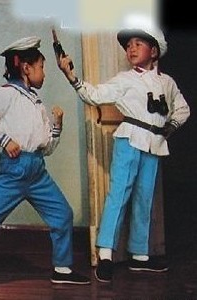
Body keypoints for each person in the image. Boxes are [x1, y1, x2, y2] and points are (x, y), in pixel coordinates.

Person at [0, 36, 91, 298]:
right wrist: (5, 139)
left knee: (62, 214)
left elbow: (46, 147)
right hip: (14, 170)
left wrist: (57, 126)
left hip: (37, 170)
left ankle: (62, 269)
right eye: (42, 67)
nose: (44, 73)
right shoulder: (7, 94)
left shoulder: (36, 103)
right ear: (26, 68)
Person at [57, 22, 190, 283]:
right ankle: (106, 253)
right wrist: (72, 77)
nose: (131, 48)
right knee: (119, 195)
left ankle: (140, 255)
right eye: (128, 45)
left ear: (154, 51)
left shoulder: (167, 82)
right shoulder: (124, 80)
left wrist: (170, 127)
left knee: (144, 198)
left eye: (138, 44)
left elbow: (183, 108)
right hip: (129, 140)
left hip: (153, 143)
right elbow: (94, 94)